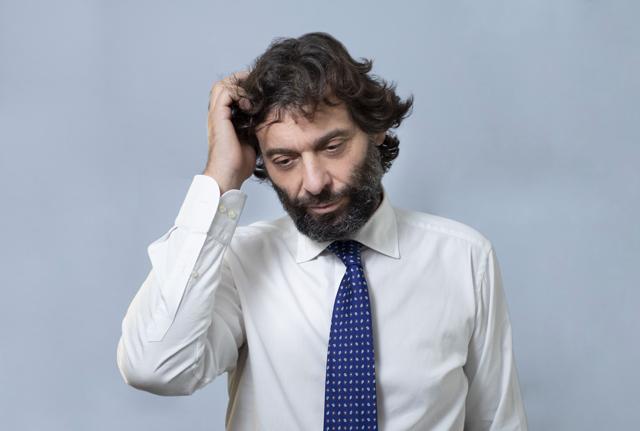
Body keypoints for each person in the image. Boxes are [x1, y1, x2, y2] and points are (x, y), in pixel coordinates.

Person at [116, 32, 528, 430]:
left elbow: (497, 422)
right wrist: (220, 178)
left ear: (375, 129)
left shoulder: (464, 258)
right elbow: (154, 367)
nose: (313, 182)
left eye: (332, 147)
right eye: (284, 160)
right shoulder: (240, 262)